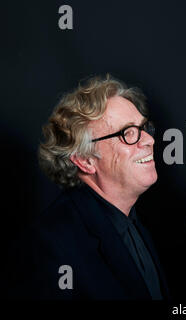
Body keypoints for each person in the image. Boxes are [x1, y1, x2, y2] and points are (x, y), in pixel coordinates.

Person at [12, 75, 168, 299]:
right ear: (84, 160)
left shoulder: (132, 221)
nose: (149, 140)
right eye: (128, 133)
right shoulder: (51, 246)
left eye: (144, 128)